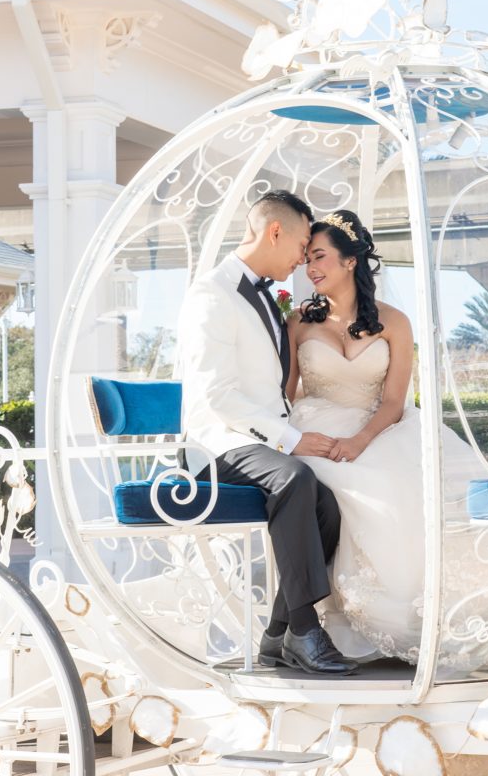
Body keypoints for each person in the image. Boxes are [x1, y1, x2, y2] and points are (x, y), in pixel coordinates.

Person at [287, 209, 481, 661]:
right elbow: (285, 393)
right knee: (352, 487)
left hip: (378, 427)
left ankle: (408, 617)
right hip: (316, 426)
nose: (311, 268)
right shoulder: (298, 324)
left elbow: (395, 402)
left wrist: (360, 441)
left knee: (404, 487)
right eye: (306, 260)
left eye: (319, 257)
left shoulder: (394, 323)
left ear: (350, 261)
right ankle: (326, 619)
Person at [179, 190, 358, 675]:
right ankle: (304, 629)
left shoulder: (270, 296)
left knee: (328, 506)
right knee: (294, 479)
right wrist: (290, 440)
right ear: (275, 231)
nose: (304, 256)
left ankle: (277, 635)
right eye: (302, 242)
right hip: (216, 443)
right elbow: (217, 397)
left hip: (257, 440)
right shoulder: (211, 295)